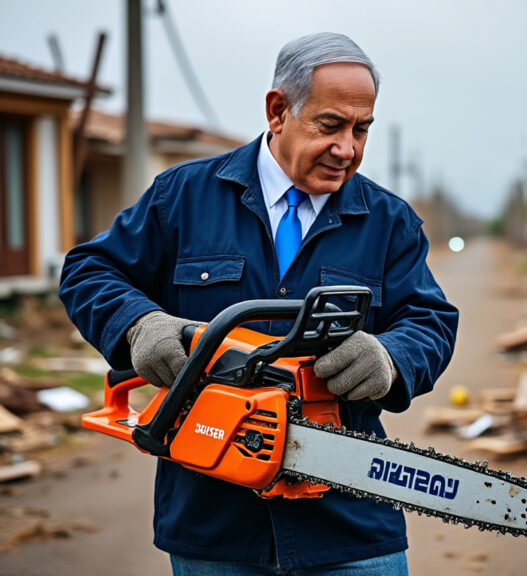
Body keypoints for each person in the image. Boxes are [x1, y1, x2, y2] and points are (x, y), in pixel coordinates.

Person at [59, 32, 458, 576]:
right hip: (213, 523)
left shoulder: (388, 222)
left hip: (348, 525)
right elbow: (89, 270)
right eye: (330, 125)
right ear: (278, 110)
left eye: (361, 129)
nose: (348, 148)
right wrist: (139, 324)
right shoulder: (184, 196)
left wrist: (390, 358)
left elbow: (429, 321)